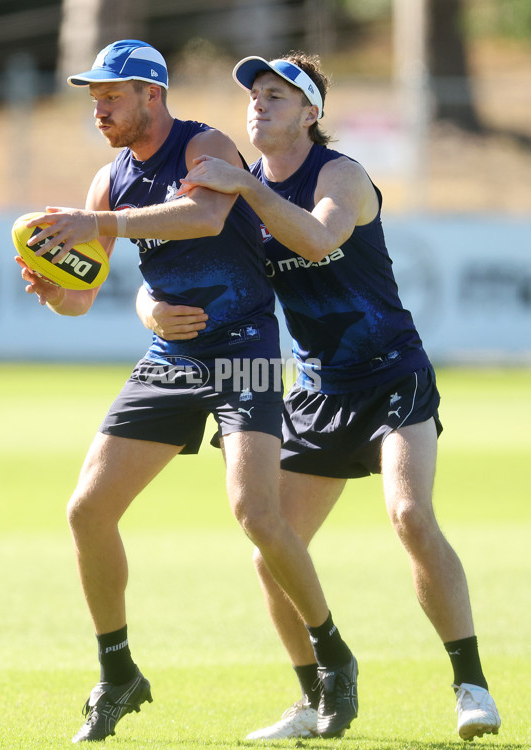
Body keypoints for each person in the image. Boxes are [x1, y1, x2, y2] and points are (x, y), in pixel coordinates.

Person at [137, 52, 502, 742]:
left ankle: (470, 685)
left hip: (393, 374)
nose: (258, 104)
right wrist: (149, 310)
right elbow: (168, 263)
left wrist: (245, 188)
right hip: (318, 390)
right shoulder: (237, 193)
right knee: (270, 548)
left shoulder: (339, 174)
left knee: (410, 516)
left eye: (277, 95)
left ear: (312, 114)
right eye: (254, 95)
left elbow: (317, 237)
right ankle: (315, 698)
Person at [16, 40, 346, 744]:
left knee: (256, 515)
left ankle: (333, 655)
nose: (99, 108)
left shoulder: (206, 145)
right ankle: (118, 672)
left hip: (244, 352)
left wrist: (99, 226)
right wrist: (55, 290)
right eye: (94, 97)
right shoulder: (110, 180)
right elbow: (85, 300)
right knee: (86, 510)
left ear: (151, 95)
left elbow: (202, 217)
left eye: (111, 95)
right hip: (171, 358)